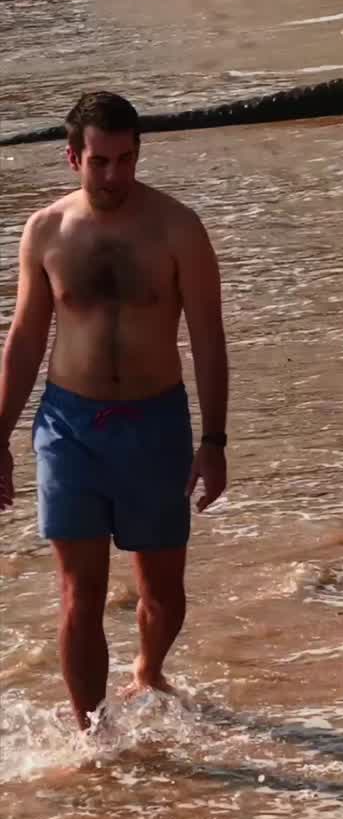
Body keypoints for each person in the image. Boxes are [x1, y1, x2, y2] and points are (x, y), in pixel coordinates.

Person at [0, 91, 228, 730]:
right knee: (80, 593)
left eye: (126, 160)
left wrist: (214, 440)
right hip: (69, 427)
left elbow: (208, 338)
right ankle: (90, 732)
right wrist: (0, 434)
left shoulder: (178, 227)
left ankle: (149, 669)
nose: (114, 175)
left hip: (155, 424)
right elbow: (24, 340)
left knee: (162, 592)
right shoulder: (47, 230)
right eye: (100, 161)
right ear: (73, 156)